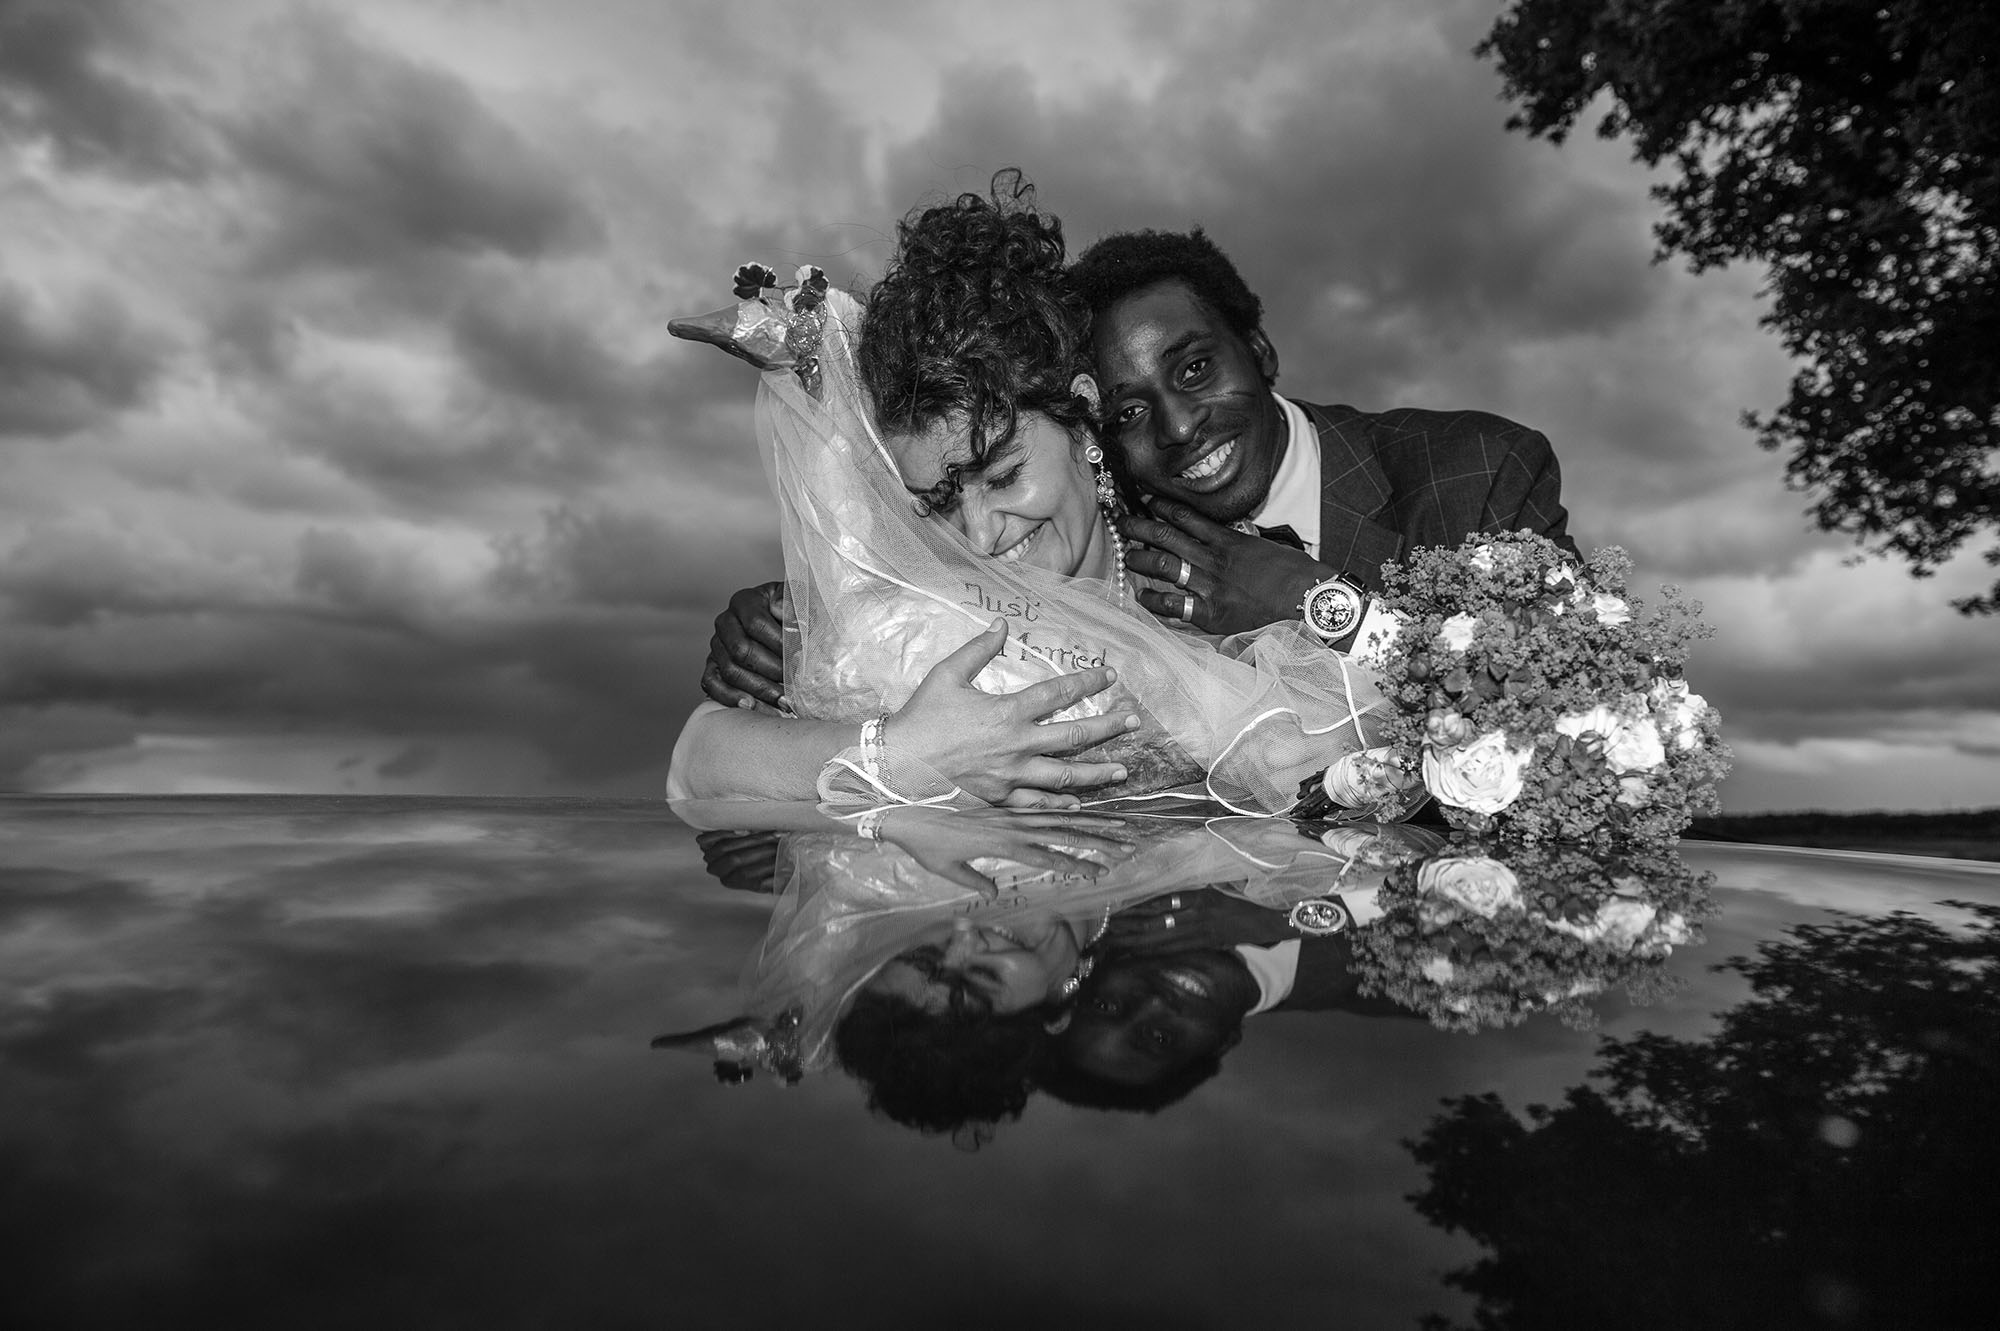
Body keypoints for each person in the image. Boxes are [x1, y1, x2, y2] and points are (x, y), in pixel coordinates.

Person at [667, 174, 1384, 811]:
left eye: (1003, 475)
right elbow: (699, 758)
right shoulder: (920, 618)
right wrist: (902, 755)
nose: (980, 536)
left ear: (1083, 419)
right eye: (939, 500)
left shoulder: (1212, 587)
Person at [703, 219, 1581, 730]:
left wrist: (1317, 603)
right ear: (1094, 423)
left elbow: (1585, 709)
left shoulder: (1477, 471)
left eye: (1195, 368)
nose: (1178, 428)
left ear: (1261, 348)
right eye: (1127, 411)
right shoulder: (1118, 544)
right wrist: (803, 619)